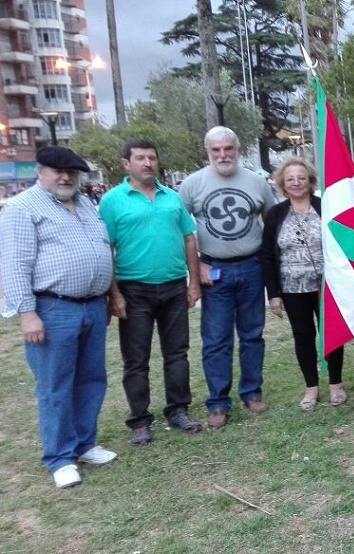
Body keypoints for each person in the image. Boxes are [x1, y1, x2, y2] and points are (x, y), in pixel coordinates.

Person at [0, 146, 116, 488]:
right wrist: (27, 313)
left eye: (72, 172)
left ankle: (84, 444)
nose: (65, 177)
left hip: (92, 305)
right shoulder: (22, 208)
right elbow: (14, 264)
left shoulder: (85, 204)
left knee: (91, 378)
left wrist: (109, 293)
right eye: (56, 170)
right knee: (55, 385)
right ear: (40, 170)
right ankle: (59, 456)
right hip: (52, 308)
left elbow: (101, 250)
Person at [99, 140, 203, 447]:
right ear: (126, 164)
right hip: (134, 290)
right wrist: (114, 294)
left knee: (177, 353)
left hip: (173, 286)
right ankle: (140, 420)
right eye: (140, 158)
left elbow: (189, 240)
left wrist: (193, 282)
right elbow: (107, 249)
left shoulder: (172, 197)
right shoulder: (112, 201)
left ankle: (178, 409)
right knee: (136, 359)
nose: (148, 163)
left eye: (152, 158)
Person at [179, 126, 277, 428]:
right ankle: (218, 402)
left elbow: (272, 222)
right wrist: (196, 268)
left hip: (251, 267)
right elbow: (179, 231)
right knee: (216, 340)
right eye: (216, 150)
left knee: (252, 335)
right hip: (213, 271)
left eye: (228, 149)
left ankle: (251, 391)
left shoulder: (257, 182)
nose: (223, 155)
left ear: (237, 148)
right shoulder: (192, 185)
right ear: (207, 152)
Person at [261, 157, 346, 410]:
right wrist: (273, 294)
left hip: (326, 286)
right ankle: (311, 388)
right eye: (290, 179)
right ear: (282, 185)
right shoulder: (275, 214)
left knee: (332, 333)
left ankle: (336, 384)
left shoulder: (325, 207)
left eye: (301, 178)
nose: (296, 183)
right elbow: (267, 254)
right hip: (292, 288)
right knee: (303, 336)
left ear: (310, 181)